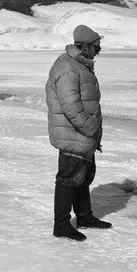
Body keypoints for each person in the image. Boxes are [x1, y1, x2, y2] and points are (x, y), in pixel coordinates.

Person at [45, 24, 112, 241]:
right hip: (73, 133)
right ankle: (61, 225)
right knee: (69, 178)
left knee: (82, 177)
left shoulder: (80, 65)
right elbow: (71, 107)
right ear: (84, 47)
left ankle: (84, 216)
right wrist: (91, 129)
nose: (98, 51)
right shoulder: (68, 69)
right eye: (96, 47)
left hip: (81, 134)